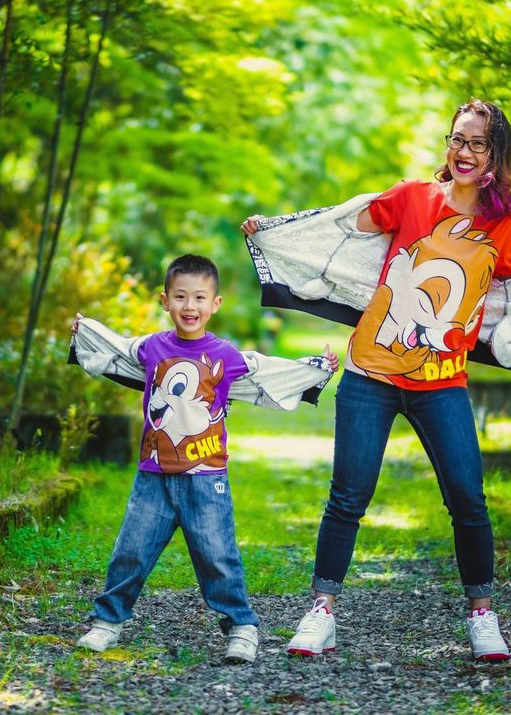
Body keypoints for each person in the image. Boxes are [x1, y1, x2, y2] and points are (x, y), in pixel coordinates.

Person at [240, 99, 511, 661]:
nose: (463, 151)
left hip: (442, 382)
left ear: (495, 156)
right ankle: (321, 612)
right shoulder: (412, 197)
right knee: (348, 497)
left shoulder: (503, 227)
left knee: (468, 499)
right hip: (371, 373)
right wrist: (276, 232)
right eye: (457, 139)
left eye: (477, 143)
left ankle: (483, 617)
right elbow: (339, 227)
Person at [70, 253, 339, 663]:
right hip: (152, 476)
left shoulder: (225, 354)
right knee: (131, 551)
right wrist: (86, 332)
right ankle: (107, 622)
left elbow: (265, 373)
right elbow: (118, 350)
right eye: (180, 297)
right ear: (165, 301)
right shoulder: (152, 347)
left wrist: (315, 367)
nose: (189, 306)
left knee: (217, 557)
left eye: (199, 298)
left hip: (205, 477)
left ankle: (242, 627)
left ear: (215, 304)